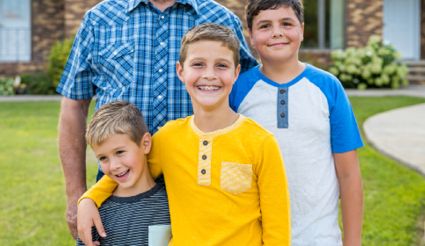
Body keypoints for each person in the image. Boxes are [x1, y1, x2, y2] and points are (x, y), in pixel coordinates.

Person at [56, 0, 257, 238]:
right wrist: (76, 195)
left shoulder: (223, 23)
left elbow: (249, 103)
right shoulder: (98, 20)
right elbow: (74, 107)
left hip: (201, 194)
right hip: (116, 195)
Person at [77, 23, 291, 246]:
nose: (209, 75)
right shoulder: (168, 138)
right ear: (181, 71)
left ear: (236, 73)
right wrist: (89, 198)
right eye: (198, 64)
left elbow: (277, 229)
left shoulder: (261, 142)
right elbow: (129, 166)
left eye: (221, 65)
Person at [229, 0, 364, 246]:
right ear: (251, 36)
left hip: (319, 238)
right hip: (256, 237)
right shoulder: (237, 91)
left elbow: (349, 176)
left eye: (286, 23)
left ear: (301, 30)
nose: (276, 32)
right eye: (265, 25)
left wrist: (353, 242)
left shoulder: (328, 88)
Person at [75, 101, 171, 246]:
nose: (114, 166)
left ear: (145, 144)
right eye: (103, 158)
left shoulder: (173, 202)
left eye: (119, 152)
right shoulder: (94, 215)